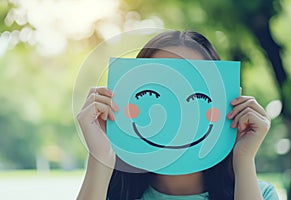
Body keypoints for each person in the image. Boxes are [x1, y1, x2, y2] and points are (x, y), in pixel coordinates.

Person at [76, 30, 279, 200]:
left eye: (198, 95)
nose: (177, 116)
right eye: (153, 93)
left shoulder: (259, 193)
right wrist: (100, 157)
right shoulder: (103, 193)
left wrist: (243, 157)